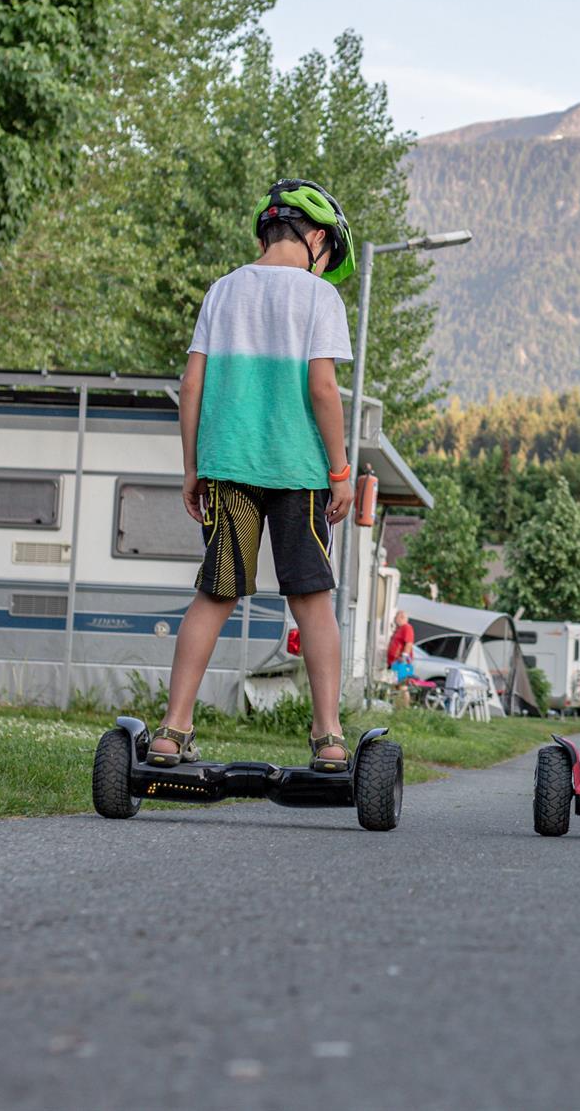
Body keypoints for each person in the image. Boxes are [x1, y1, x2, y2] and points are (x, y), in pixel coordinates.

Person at [146, 180, 358, 772]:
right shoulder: (319, 298)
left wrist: (193, 467)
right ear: (317, 238)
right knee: (311, 600)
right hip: (298, 470)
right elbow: (323, 389)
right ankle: (328, 737)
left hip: (228, 467)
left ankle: (173, 729)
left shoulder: (223, 290)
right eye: (328, 255)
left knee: (215, 594)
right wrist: (340, 471)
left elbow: (192, 384)